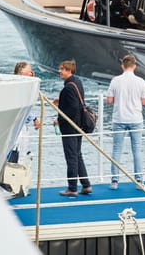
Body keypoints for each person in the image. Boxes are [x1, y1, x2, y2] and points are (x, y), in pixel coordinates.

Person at [106, 54, 145, 190]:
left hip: (119, 118)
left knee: (116, 149)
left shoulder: (115, 80)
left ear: (122, 66)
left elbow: (109, 100)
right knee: (137, 149)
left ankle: (114, 180)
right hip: (136, 118)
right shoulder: (141, 81)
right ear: (134, 66)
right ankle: (139, 180)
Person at [53, 60, 92, 197]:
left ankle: (72, 188)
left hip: (70, 127)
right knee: (77, 155)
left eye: (62, 69)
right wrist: (61, 102)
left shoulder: (68, 87)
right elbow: (75, 103)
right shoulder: (77, 82)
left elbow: (72, 108)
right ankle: (86, 184)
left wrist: (59, 119)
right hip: (78, 125)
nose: (60, 71)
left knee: (71, 157)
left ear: (69, 71)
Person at [12, 61, 40, 164]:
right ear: (21, 72)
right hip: (18, 124)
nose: (31, 73)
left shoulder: (25, 85)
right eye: (29, 71)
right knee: (18, 150)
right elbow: (22, 106)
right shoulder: (18, 86)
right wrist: (34, 118)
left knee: (22, 151)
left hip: (23, 123)